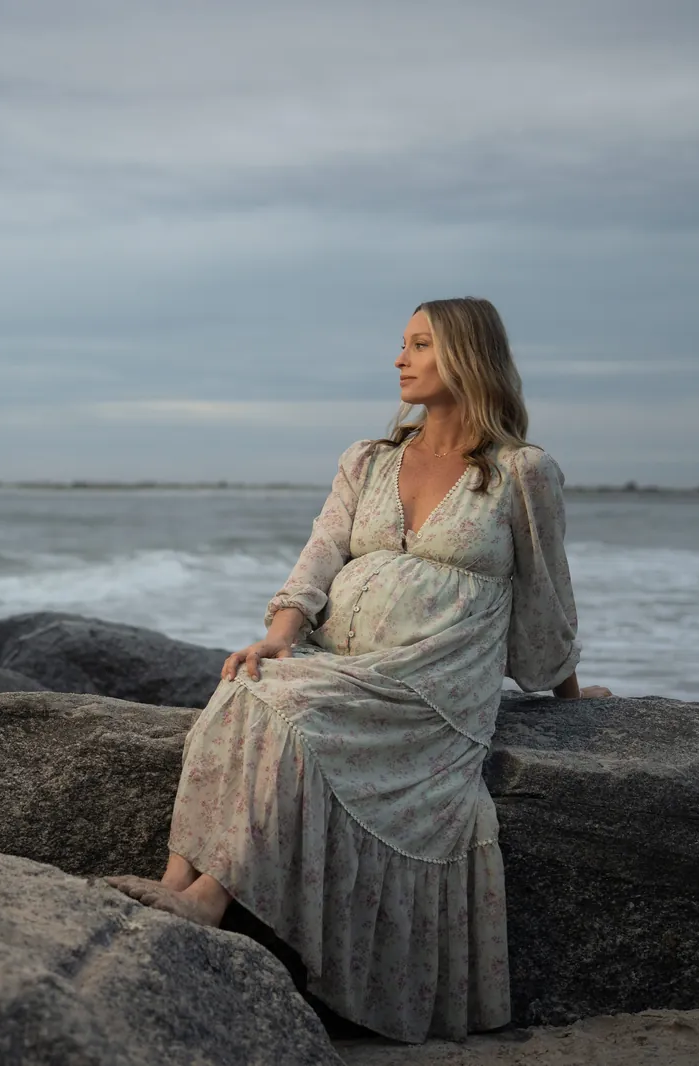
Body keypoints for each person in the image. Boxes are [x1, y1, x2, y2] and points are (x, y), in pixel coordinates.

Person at [105, 296, 609, 1044]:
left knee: (292, 715)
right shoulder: (368, 460)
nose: (400, 359)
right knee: (245, 687)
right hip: (342, 659)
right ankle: (177, 882)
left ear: (467, 356)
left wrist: (568, 691)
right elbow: (320, 555)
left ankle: (209, 896)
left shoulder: (520, 474)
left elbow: (546, 594)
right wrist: (280, 633)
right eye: (402, 344)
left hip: (430, 689)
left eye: (419, 345)